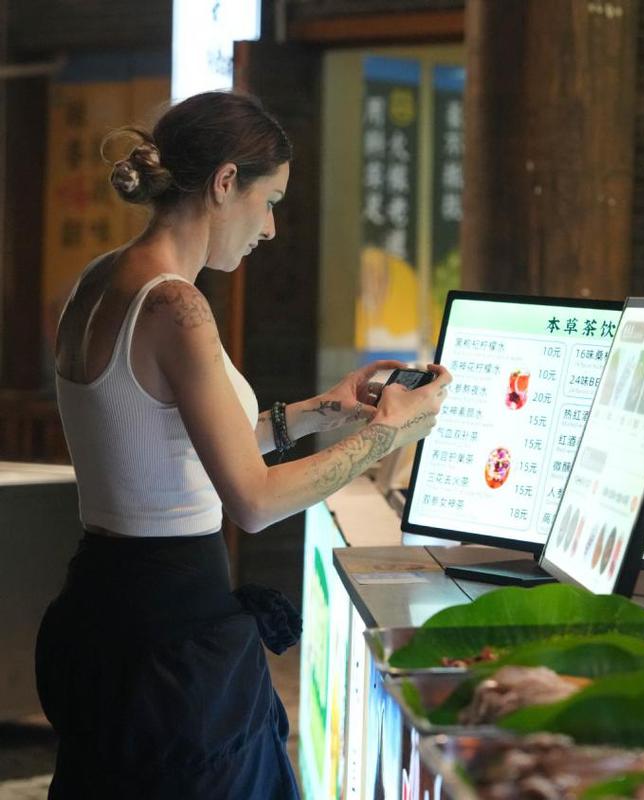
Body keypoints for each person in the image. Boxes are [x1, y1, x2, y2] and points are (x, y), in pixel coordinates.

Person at [36, 90, 450, 799]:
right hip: (169, 635)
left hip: (102, 606)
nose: (271, 228)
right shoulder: (177, 305)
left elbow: (165, 444)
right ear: (226, 182)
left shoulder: (100, 278)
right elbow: (253, 503)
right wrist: (388, 433)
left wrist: (326, 409)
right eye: (271, 201)